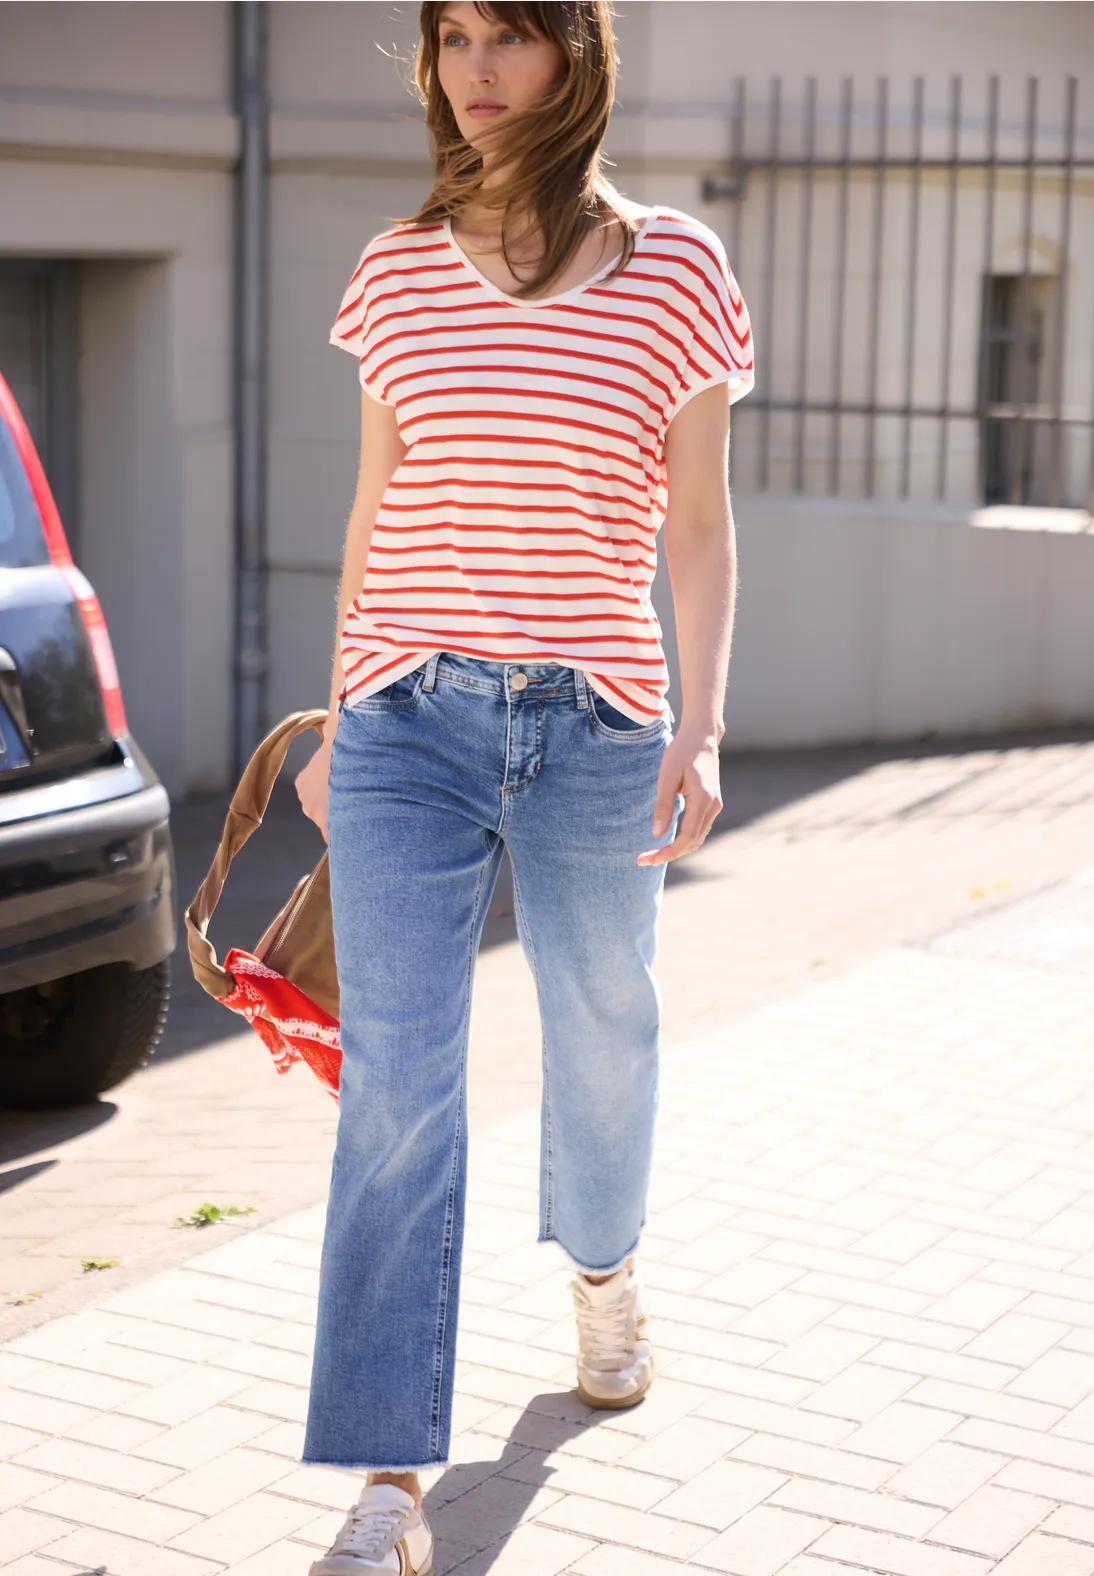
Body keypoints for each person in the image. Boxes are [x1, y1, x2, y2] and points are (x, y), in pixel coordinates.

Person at [295, 2, 753, 1570]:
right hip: (406, 722)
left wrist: (698, 727)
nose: (472, 68)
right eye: (449, 37)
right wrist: (341, 706)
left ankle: (605, 1273)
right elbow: (377, 501)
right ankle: (383, 1480)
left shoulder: (677, 265)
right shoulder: (393, 269)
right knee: (397, 1094)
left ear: (577, 55)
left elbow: (694, 521)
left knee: (603, 1034)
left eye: (509, 33)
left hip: (600, 724)